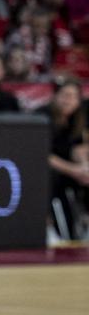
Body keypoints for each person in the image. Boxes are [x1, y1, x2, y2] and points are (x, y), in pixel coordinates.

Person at [47, 79, 89, 241]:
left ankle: (85, 222)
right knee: (48, 176)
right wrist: (74, 170)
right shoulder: (44, 115)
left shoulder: (79, 117)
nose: (68, 100)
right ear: (55, 96)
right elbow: (42, 155)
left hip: (72, 170)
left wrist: (84, 166)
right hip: (49, 170)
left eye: (73, 96)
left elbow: (78, 148)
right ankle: (48, 227)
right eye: (65, 95)